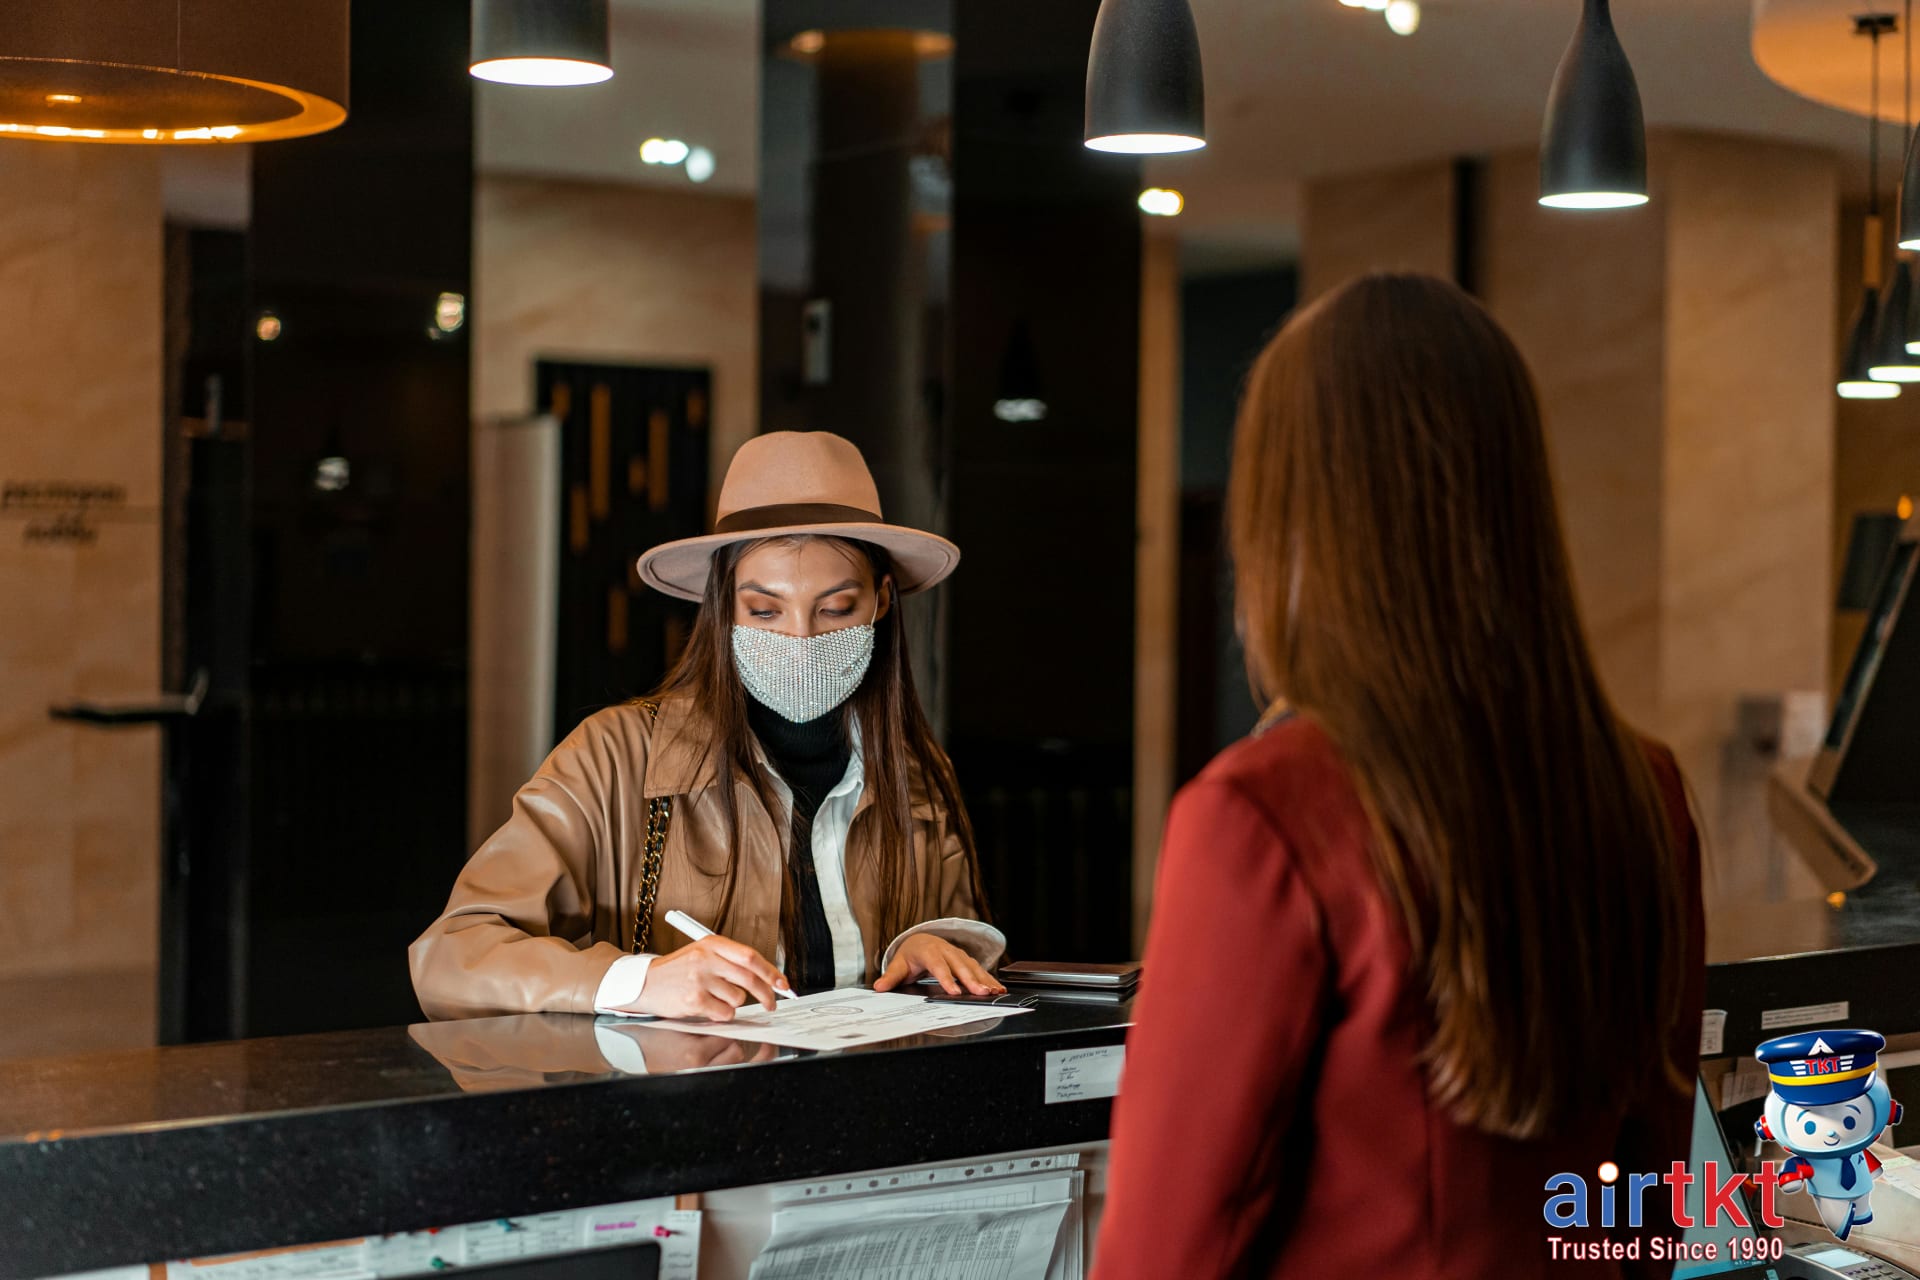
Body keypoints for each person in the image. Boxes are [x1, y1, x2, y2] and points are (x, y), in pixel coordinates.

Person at [1093, 274, 1704, 1278]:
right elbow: (1645, 1208)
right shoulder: (1644, 786)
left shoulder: (1261, 813)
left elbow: (1163, 1251)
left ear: (1290, 511)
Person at [410, 431, 1006, 1023]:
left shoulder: (917, 769)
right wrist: (638, 981)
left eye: (834, 608)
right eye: (765, 610)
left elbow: (957, 938)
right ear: (722, 608)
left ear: (880, 601)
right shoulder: (613, 755)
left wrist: (924, 948)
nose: (800, 638)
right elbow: (451, 955)